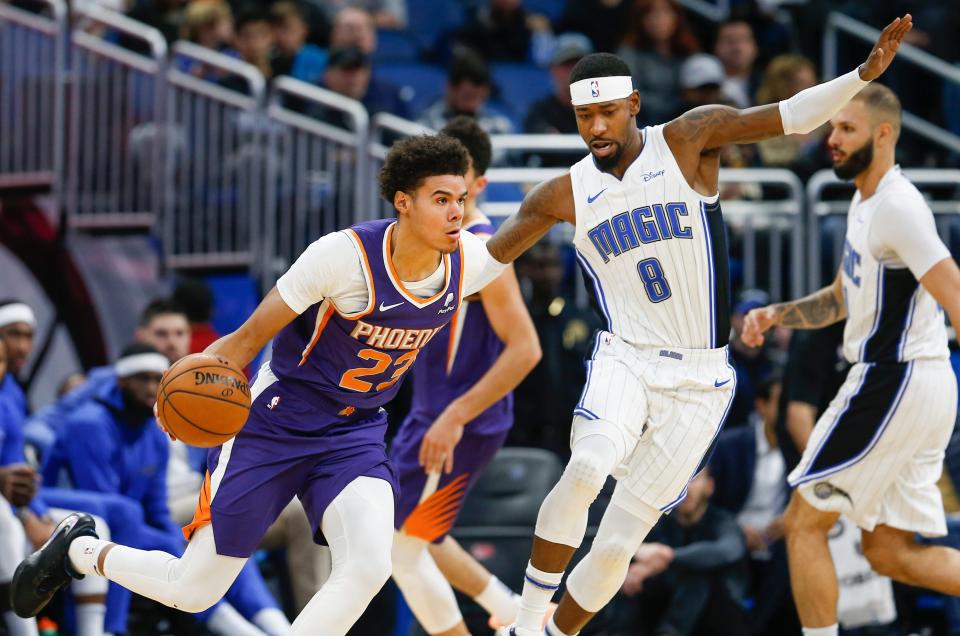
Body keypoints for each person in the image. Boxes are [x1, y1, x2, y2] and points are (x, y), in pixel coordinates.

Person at [482, 15, 913, 636]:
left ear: (633, 105)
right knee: (585, 468)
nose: (597, 127)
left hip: (701, 379)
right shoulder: (562, 193)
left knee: (618, 542)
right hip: (626, 355)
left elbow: (789, 116)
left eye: (608, 112)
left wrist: (861, 75)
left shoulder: (689, 137)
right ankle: (525, 625)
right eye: (584, 117)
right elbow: (487, 261)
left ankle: (555, 633)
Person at [12, 134, 510, 635]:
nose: (456, 213)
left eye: (462, 200)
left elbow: (529, 224)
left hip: (353, 433)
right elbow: (245, 340)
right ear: (404, 202)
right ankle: (82, 549)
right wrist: (174, 394)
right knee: (192, 590)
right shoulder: (342, 256)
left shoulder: (466, 260)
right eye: (442, 199)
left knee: (369, 565)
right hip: (273, 422)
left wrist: (572, 192)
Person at [742, 78, 960, 636]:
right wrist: (777, 315)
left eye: (846, 128)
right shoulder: (866, 202)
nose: (831, 139)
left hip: (894, 381)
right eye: (832, 127)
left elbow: (955, 292)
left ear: (883, 134)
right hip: (914, 386)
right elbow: (841, 298)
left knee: (802, 523)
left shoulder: (898, 206)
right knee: (889, 553)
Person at [390, 116, 541, 635]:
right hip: (435, 413)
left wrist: (454, 415)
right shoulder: (436, 243)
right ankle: (514, 614)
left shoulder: (480, 248)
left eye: (458, 185)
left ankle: (515, 615)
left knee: (399, 545)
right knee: (417, 537)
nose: (447, 197)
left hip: (456, 420)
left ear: (476, 185)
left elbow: (527, 350)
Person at [42, 343, 290, 636]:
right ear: (121, 381)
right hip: (68, 514)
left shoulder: (155, 431)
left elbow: (158, 510)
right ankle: (234, 630)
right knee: (140, 522)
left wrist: (188, 546)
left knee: (219, 541)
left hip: (132, 523)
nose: (150, 388)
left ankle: (279, 627)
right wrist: (175, 547)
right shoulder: (90, 424)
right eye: (141, 379)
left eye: (155, 379)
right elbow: (107, 507)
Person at [620, 470, 750, 636]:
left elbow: (728, 551)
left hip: (720, 618)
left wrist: (668, 557)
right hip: (663, 610)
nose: (685, 487)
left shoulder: (724, 523)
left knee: (700, 574)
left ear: (709, 486)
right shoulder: (661, 524)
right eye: (680, 479)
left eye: (693, 479)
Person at [418, 50, 514, 137]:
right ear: (450, 88)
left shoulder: (498, 127)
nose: (474, 103)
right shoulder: (427, 125)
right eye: (467, 96)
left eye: (479, 97)